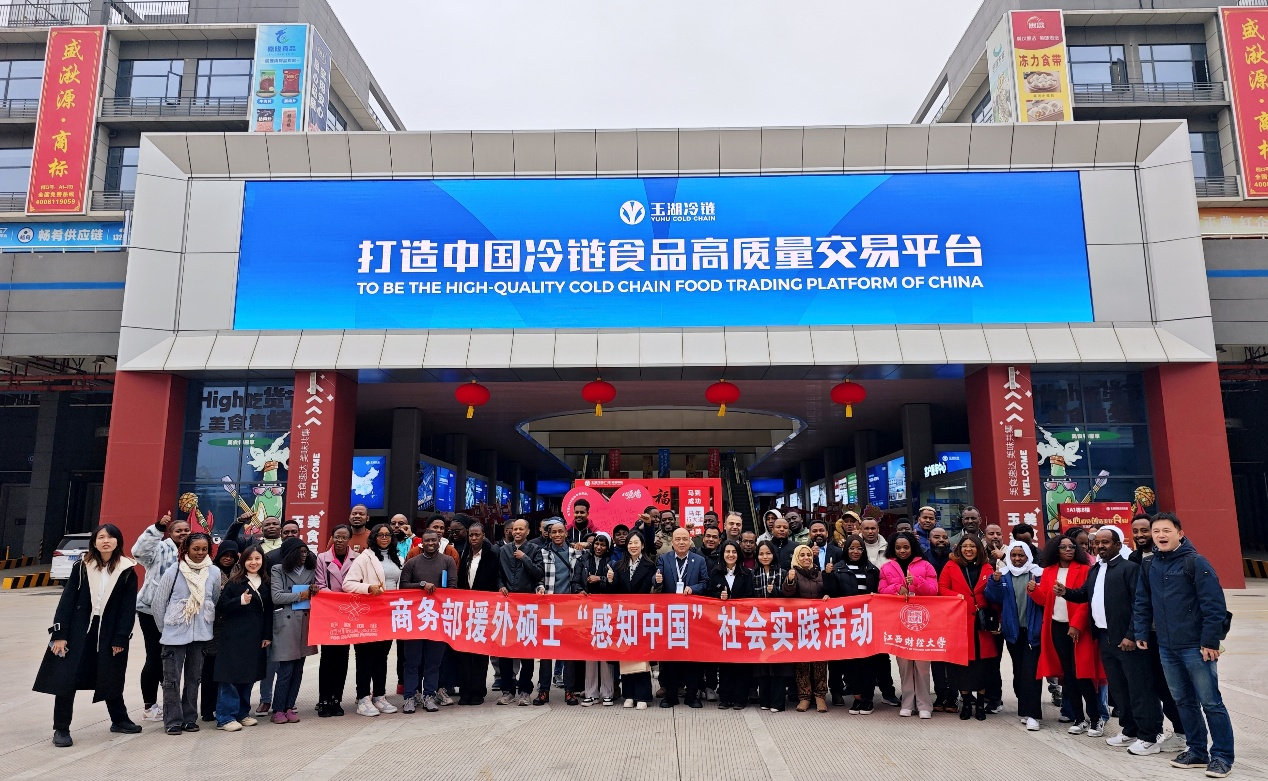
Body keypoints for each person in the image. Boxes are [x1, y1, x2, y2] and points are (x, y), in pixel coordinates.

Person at [1133, 513, 1234, 778]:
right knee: (1183, 701)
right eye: (1156, 531)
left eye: (1167, 530)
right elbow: (1142, 601)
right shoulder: (1150, 564)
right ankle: (1197, 751)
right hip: (1166, 646)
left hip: (1195, 647)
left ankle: (1222, 756)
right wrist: (1141, 631)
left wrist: (1210, 641)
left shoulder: (1195, 562)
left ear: (1180, 533)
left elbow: (1214, 605)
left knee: (1211, 702)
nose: (1161, 535)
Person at [34, 524, 142, 747]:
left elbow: (127, 608)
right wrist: (60, 634)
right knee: (67, 677)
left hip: (109, 631)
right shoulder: (82, 566)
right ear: (94, 541)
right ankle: (61, 729)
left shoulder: (127, 570)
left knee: (110, 674)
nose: (106, 541)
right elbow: (67, 601)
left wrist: (121, 637)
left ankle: (119, 720)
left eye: (110, 537)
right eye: (101, 537)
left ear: (118, 541)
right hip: (78, 630)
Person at [1057, 528, 1162, 754]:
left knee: (1139, 688)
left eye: (1105, 542)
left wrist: (1131, 635)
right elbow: (1084, 594)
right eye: (1097, 543)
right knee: (1119, 688)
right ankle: (1129, 730)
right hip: (1104, 638)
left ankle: (1149, 736)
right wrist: (1065, 592)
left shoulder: (1129, 569)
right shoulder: (1096, 569)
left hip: (1126, 640)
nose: (1100, 546)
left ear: (1117, 545)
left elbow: (1139, 605)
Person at [151, 531, 223, 735]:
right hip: (174, 637)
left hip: (200, 636)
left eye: (204, 549)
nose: (200, 553)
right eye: (195, 549)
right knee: (171, 681)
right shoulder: (174, 571)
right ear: (186, 549)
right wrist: (166, 630)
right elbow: (158, 604)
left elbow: (214, 599)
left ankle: (189, 718)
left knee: (194, 679)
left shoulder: (214, 572)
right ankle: (173, 720)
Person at [1031, 535, 1103, 737]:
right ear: (1056, 550)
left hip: (1078, 628)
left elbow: (1086, 599)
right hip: (1056, 626)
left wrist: (1076, 624)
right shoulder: (1049, 571)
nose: (1069, 550)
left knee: (1083, 673)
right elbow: (1045, 600)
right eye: (1063, 547)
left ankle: (1095, 718)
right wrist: (1033, 591)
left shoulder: (1085, 569)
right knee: (1068, 675)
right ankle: (1079, 718)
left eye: (1072, 546)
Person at [1127, 515, 1187, 752]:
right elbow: (1139, 601)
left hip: (1170, 635)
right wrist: (1137, 632)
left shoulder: (1179, 559)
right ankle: (1158, 733)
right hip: (1146, 635)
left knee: (1173, 687)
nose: (1140, 535)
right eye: (1137, 531)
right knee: (1153, 686)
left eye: (1145, 530)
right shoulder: (1134, 559)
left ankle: (1184, 733)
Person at [131, 511, 190, 724]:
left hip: (180, 614)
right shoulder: (161, 548)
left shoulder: (193, 551)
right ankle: (149, 705)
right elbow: (138, 552)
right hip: (150, 610)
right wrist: (157, 528)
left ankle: (171, 702)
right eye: (178, 530)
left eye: (186, 530)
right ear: (170, 533)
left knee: (173, 660)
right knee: (155, 657)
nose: (183, 533)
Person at [343, 523, 402, 716]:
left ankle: (379, 696)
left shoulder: (397, 558)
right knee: (365, 657)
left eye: (388, 535)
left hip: (388, 615)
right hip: (368, 615)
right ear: (374, 537)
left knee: (381, 657)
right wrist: (368, 588)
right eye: (380, 535)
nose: (384, 538)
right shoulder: (364, 558)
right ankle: (363, 698)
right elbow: (347, 584)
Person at [878, 531, 939, 719]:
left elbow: (934, 590)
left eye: (906, 547)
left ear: (913, 547)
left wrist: (918, 582)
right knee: (904, 666)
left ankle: (924, 704)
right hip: (899, 623)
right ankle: (907, 702)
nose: (902, 551)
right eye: (898, 547)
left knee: (922, 666)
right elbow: (881, 591)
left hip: (922, 623)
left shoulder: (926, 565)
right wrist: (897, 588)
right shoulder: (886, 567)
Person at [986, 540, 1045, 731]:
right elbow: (993, 598)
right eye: (1014, 555)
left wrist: (1037, 589)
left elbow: (1046, 600)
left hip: (1033, 632)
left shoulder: (1038, 574)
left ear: (1028, 556)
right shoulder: (1003, 574)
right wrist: (994, 582)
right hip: (1013, 633)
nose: (1017, 559)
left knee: (1031, 673)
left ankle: (1033, 715)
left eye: (1021, 555)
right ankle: (1025, 709)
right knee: (1019, 672)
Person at [937, 534, 997, 721]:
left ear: (979, 549)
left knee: (982, 666)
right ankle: (966, 703)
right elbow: (942, 588)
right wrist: (956, 597)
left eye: (972, 546)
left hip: (982, 624)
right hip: (959, 622)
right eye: (965, 546)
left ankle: (980, 704)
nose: (968, 549)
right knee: (962, 666)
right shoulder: (951, 566)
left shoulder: (988, 567)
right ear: (959, 548)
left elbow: (994, 595)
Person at [213, 544, 272, 731]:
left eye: (257, 559)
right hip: (233, 637)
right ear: (243, 561)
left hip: (255, 636)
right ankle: (225, 717)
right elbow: (221, 607)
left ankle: (242, 713)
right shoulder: (235, 583)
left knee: (249, 675)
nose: (253, 563)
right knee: (230, 677)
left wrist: (267, 635)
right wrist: (239, 601)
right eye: (249, 559)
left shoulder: (266, 583)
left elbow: (269, 613)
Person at [400, 530, 458, 713]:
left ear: (439, 541)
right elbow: (403, 586)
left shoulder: (447, 561)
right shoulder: (412, 562)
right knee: (412, 662)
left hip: (437, 619)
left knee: (434, 662)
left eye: (434, 540)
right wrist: (422, 585)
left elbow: (453, 588)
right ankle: (410, 697)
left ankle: (429, 696)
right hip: (415, 620)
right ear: (422, 543)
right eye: (427, 541)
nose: (431, 543)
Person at [606, 529, 661, 709]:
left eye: (636, 542)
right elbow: (613, 592)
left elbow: (650, 588)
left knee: (641, 657)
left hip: (641, 616)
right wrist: (611, 580)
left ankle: (643, 696)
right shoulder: (618, 565)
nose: (633, 546)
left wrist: (657, 581)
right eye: (630, 543)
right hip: (624, 616)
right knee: (626, 655)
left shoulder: (649, 565)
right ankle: (629, 694)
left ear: (642, 545)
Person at [532, 519, 583, 705]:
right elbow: (538, 577)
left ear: (566, 533)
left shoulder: (576, 553)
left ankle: (570, 691)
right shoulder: (542, 553)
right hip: (548, 608)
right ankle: (543, 691)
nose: (557, 535)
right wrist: (539, 588)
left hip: (569, 608)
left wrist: (585, 544)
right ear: (548, 534)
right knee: (546, 651)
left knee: (569, 652)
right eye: (554, 532)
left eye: (561, 531)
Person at [657, 527, 709, 708]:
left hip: (692, 617)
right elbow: (657, 582)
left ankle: (692, 696)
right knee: (670, 657)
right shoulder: (664, 559)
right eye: (677, 539)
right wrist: (657, 580)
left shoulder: (699, 560)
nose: (681, 542)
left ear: (690, 541)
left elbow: (705, 582)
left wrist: (693, 589)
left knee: (692, 657)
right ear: (672, 542)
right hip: (670, 616)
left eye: (684, 539)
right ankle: (670, 695)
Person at [496, 518, 543, 705]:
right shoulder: (503, 550)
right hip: (507, 605)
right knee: (505, 648)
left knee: (526, 649)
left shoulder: (535, 550)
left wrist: (524, 558)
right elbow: (498, 574)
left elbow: (539, 573)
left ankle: (525, 690)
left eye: (521, 529)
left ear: (528, 531)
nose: (517, 532)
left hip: (526, 606)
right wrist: (500, 586)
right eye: (514, 529)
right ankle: (507, 690)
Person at [703, 541, 754, 709]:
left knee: (741, 663)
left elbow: (751, 595)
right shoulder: (715, 572)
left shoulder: (747, 573)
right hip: (722, 624)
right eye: (727, 552)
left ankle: (740, 699)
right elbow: (709, 593)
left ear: (738, 554)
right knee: (724, 662)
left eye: (734, 552)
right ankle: (724, 698)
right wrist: (719, 595)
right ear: (722, 554)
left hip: (741, 624)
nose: (730, 555)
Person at [315, 524, 358, 717]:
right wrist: (338, 600)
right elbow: (320, 584)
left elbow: (358, 584)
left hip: (349, 614)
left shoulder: (357, 558)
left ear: (349, 539)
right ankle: (324, 700)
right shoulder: (322, 558)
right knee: (327, 658)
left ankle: (336, 700)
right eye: (337, 537)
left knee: (342, 658)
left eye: (344, 537)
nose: (340, 540)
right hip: (329, 612)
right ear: (332, 538)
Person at [457, 522, 500, 705]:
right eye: (471, 535)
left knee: (480, 653)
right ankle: (465, 691)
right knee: (464, 653)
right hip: (466, 611)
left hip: (484, 610)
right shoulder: (464, 554)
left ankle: (478, 692)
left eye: (477, 535)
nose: (473, 538)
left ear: (484, 536)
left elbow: (496, 580)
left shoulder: (492, 555)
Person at [784, 544, 829, 713]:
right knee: (802, 662)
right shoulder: (793, 573)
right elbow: (787, 594)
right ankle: (804, 696)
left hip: (818, 625)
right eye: (802, 555)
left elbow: (828, 590)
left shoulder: (819, 573)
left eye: (809, 555)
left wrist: (828, 595)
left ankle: (820, 696)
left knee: (820, 662)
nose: (806, 558)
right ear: (797, 557)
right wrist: (789, 580)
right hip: (800, 625)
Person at [752, 541, 794, 712]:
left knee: (778, 664)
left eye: (768, 553)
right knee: (763, 664)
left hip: (778, 624)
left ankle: (777, 702)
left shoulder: (782, 573)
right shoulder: (753, 574)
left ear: (774, 554)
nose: (765, 557)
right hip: (760, 624)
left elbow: (788, 597)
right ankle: (764, 700)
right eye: (761, 554)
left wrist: (774, 592)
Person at [201, 539, 240, 722]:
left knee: (226, 671)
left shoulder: (240, 572)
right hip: (213, 627)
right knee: (209, 670)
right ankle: (207, 709)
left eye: (232, 555)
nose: (228, 558)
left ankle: (223, 706)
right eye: (225, 554)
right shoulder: (209, 571)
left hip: (232, 626)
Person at [576, 532, 616, 706]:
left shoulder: (613, 562)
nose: (599, 547)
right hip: (588, 611)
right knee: (590, 652)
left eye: (603, 544)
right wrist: (580, 590)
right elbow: (575, 581)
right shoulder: (582, 560)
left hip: (606, 611)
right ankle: (591, 692)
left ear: (608, 547)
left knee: (606, 652)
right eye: (597, 544)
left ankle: (607, 692)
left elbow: (615, 584)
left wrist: (600, 579)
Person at [925, 525, 956, 712]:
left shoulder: (955, 558)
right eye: (937, 537)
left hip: (952, 612)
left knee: (952, 655)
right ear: (929, 539)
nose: (941, 540)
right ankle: (940, 694)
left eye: (944, 537)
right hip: (931, 614)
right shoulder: (922, 558)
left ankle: (953, 696)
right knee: (935, 655)